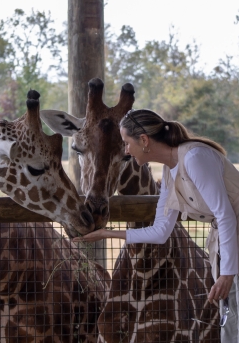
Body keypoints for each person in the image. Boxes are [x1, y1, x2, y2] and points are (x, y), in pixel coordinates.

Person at [73, 108, 239, 343]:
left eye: (127, 143)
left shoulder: (194, 158)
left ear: (144, 140)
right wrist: (107, 233)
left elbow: (225, 216)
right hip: (225, 245)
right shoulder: (171, 171)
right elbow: (161, 231)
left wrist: (227, 273)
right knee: (230, 324)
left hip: (231, 242)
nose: (126, 150)